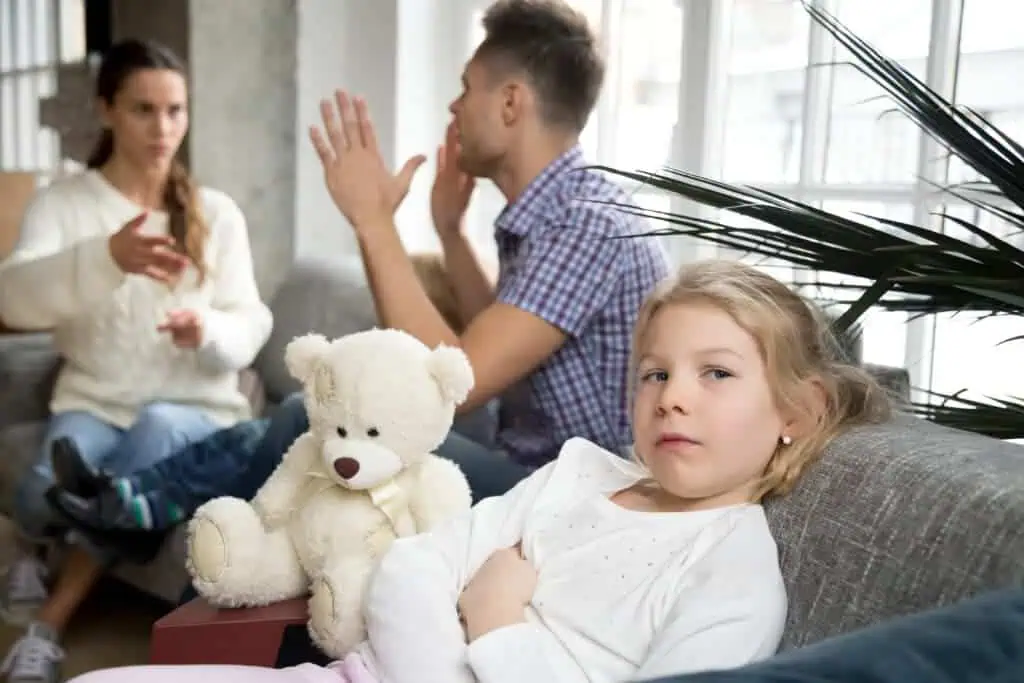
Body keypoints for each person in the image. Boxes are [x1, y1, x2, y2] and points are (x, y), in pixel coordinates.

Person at [64, 258, 894, 683]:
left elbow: (462, 592)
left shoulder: (733, 570)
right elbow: (412, 569)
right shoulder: (576, 474)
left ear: (798, 413)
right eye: (654, 372)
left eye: (715, 373)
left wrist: (495, 621)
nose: (673, 397)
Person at [49, 0, 670, 547]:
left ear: (511, 103)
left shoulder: (585, 226)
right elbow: (504, 349)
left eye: (466, 87)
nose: (454, 105)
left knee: (318, 421)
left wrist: (374, 222)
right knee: (311, 423)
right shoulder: (561, 215)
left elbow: (455, 383)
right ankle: (141, 503)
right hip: (536, 473)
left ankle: (145, 512)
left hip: (566, 503)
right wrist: (450, 232)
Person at [0, 39, 272, 682]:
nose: (163, 128)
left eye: (176, 110)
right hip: (94, 400)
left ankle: (49, 626)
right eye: (144, 110)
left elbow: (251, 324)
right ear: (107, 110)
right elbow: (11, 299)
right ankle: (33, 540)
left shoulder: (217, 214)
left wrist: (205, 327)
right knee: (44, 490)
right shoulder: (65, 204)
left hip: (195, 408)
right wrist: (105, 260)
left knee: (147, 443)